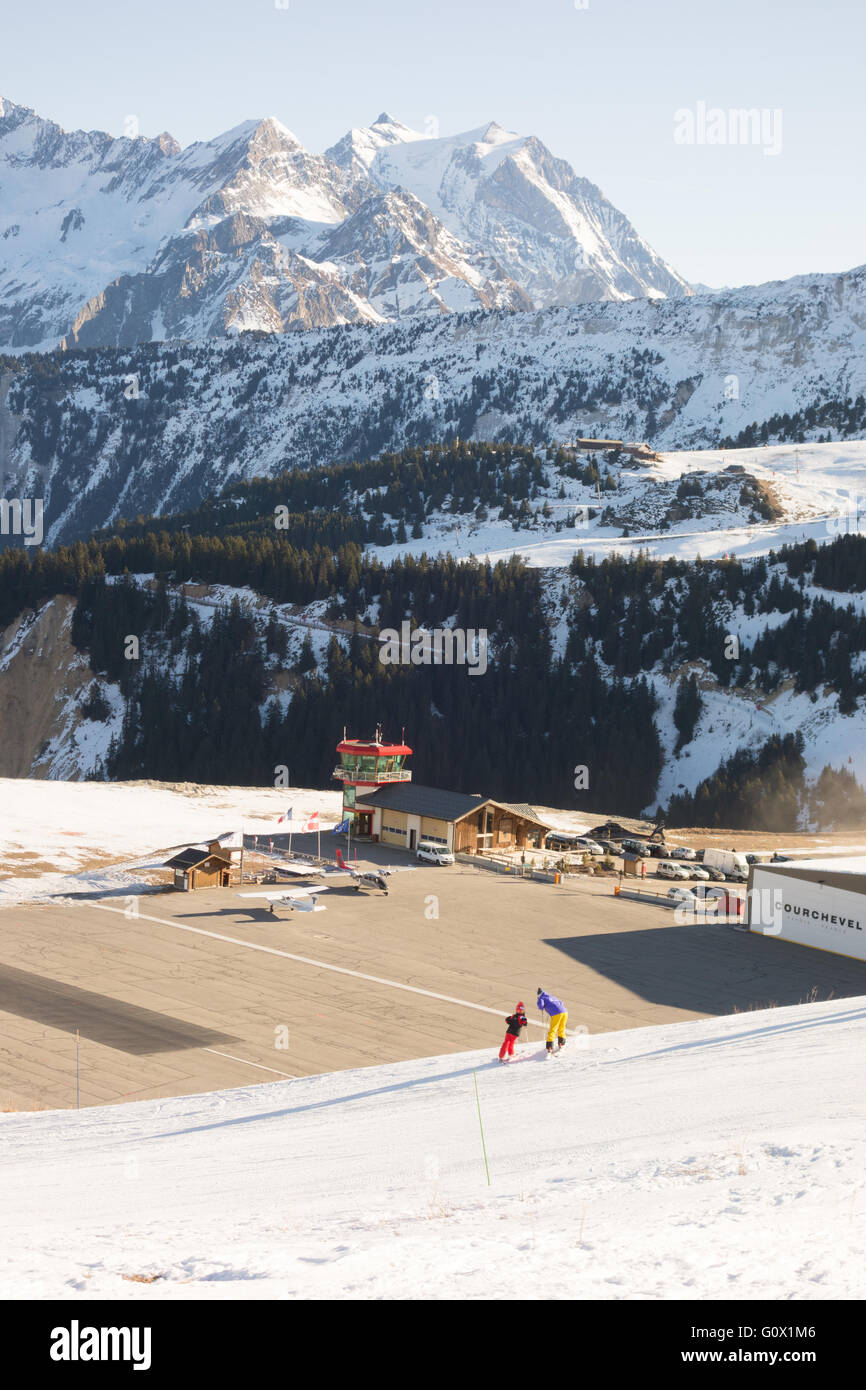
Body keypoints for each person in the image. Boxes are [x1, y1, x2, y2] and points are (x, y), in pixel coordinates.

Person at [536, 987, 568, 1055]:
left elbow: (540, 1006)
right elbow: (561, 1002)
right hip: (565, 1012)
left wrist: (539, 1000)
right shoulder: (550, 996)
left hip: (556, 1014)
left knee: (552, 1030)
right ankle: (561, 1044)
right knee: (561, 1028)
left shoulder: (541, 997)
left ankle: (549, 1047)